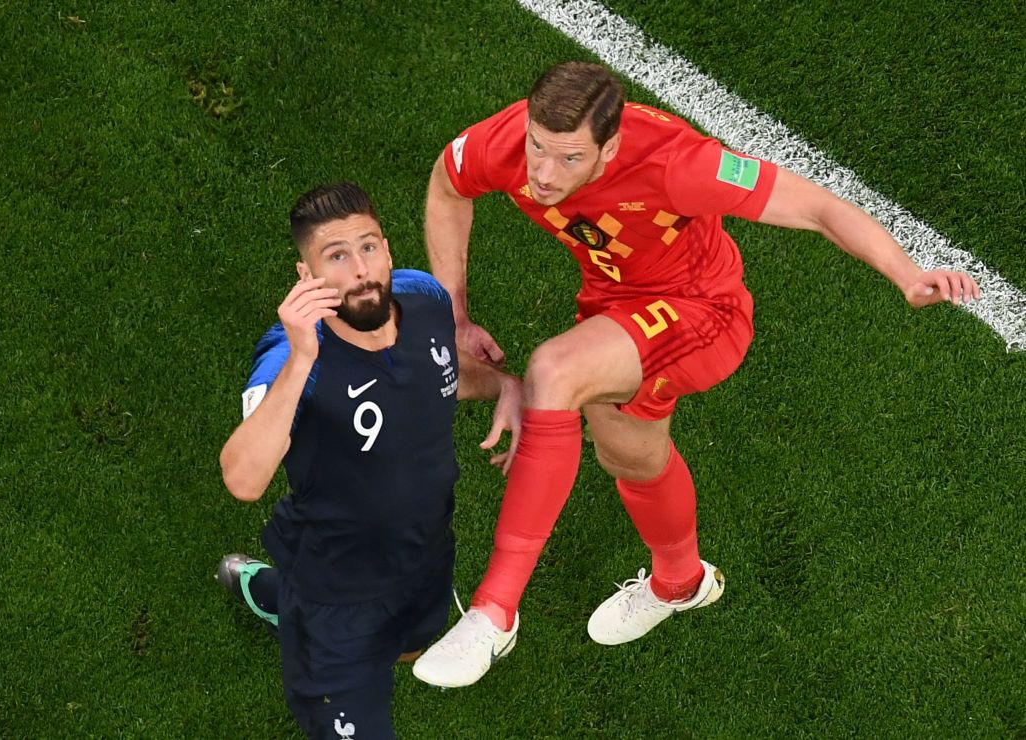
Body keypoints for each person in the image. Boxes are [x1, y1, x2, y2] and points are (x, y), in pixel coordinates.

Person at [411, 61, 981, 688]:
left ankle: (495, 614)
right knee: (631, 459)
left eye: (569, 158)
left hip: (701, 311)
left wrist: (906, 275)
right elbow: (447, 185)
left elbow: (818, 207)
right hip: (613, 304)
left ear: (612, 146)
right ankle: (681, 583)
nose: (543, 174)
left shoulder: (679, 164)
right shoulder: (510, 143)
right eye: (536, 147)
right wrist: (456, 315)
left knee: (554, 369)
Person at [217, 182, 521, 738]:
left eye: (368, 247)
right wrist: (303, 356)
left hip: (426, 554)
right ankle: (284, 604)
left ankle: (280, 598)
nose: (360, 270)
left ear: (386, 247)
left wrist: (504, 385)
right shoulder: (287, 359)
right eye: (336, 256)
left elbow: (442, 371)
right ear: (306, 276)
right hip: (334, 599)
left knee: (411, 646)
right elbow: (243, 477)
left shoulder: (423, 298)